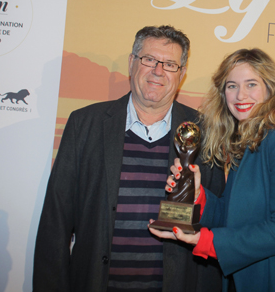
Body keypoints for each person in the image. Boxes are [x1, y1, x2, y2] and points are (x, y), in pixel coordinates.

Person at [34, 26, 225, 292]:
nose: (158, 71)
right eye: (149, 59)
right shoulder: (85, 124)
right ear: (131, 62)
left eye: (170, 64)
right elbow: (56, 222)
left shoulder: (205, 132)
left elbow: (219, 223)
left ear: (181, 74)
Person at [150, 48, 275, 292]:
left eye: (251, 84)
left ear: (270, 88)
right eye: (231, 86)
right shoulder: (248, 140)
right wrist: (198, 195)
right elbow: (235, 217)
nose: (240, 95)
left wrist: (209, 242)